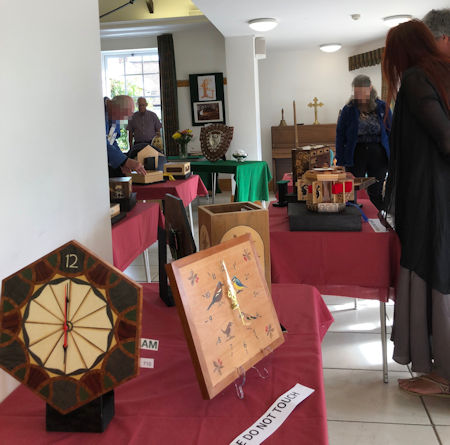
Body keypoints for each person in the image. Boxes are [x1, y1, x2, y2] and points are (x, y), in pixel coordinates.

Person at [383, 20, 450, 396]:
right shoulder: (439, 73)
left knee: (431, 268)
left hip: (431, 196)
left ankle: (442, 375)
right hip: (439, 192)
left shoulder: (414, 78)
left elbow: (444, 136)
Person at [335, 75, 392, 210]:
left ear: (370, 89)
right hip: (355, 153)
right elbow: (340, 135)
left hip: (378, 154)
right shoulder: (348, 110)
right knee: (349, 189)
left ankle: (381, 215)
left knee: (376, 189)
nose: (359, 96)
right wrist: (341, 162)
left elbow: (392, 133)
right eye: (356, 92)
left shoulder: (383, 107)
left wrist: (393, 156)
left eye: (362, 92)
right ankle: (350, 217)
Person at [104, 95, 146, 176]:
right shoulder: (96, 110)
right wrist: (124, 161)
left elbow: (112, 141)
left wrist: (122, 163)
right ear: (116, 108)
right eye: (125, 115)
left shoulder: (114, 115)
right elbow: (101, 143)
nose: (126, 119)